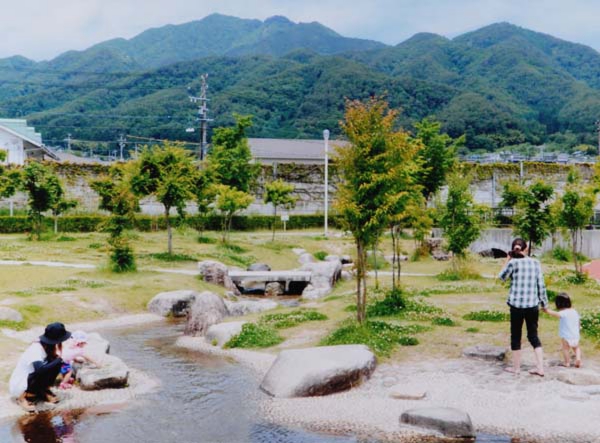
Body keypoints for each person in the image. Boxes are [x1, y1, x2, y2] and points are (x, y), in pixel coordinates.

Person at [498, 238, 548, 376]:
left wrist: (507, 259)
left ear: (514, 249)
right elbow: (541, 285)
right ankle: (540, 368)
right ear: (526, 249)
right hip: (532, 305)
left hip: (516, 306)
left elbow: (501, 277)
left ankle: (516, 368)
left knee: (516, 335)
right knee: (533, 336)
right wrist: (544, 303)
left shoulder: (513, 263)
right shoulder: (535, 263)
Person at [9, 322, 71, 412]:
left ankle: (43, 391)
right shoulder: (36, 349)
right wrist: (61, 359)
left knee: (56, 363)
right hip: (21, 383)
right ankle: (21, 399)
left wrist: (59, 360)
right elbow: (40, 370)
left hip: (32, 378)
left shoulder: (47, 346)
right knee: (56, 362)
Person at [542, 292, 582, 368]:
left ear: (558, 304)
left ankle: (567, 363)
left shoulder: (563, 313)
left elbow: (555, 314)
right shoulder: (574, 311)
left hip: (566, 336)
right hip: (575, 334)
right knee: (576, 348)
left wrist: (547, 310)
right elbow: (579, 322)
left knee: (565, 349)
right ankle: (578, 359)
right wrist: (579, 329)